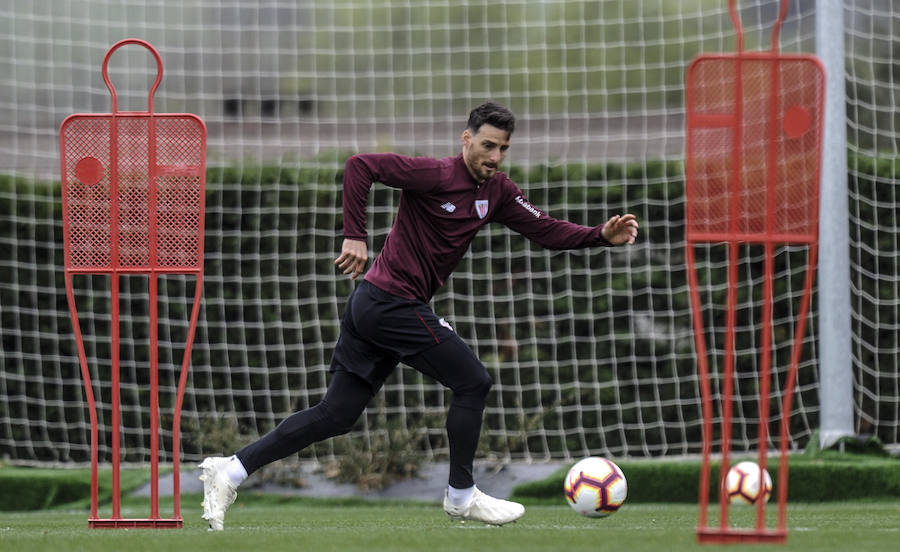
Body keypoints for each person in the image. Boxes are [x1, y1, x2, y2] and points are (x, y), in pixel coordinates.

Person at [199, 101, 639, 531]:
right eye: (487, 145)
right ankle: (461, 496)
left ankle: (231, 469)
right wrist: (354, 235)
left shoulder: (498, 192)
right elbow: (360, 166)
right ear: (466, 140)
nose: (495, 156)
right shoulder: (436, 175)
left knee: (337, 415)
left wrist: (599, 235)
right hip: (388, 304)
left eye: (503, 148)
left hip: (378, 306)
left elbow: (545, 228)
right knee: (473, 381)